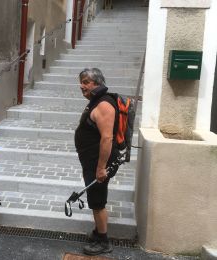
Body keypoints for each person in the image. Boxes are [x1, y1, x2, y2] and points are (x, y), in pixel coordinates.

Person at [74, 68, 119, 255]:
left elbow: (107, 139)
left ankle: (103, 241)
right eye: (81, 82)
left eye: (86, 82)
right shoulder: (96, 101)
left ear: (97, 83)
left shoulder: (103, 105)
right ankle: (98, 232)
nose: (81, 85)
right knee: (95, 199)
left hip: (98, 163)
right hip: (92, 161)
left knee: (97, 201)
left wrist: (101, 168)